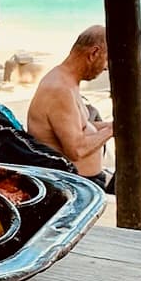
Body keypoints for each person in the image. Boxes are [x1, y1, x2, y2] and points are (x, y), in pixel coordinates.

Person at [27, 25, 114, 183]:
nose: (106, 67)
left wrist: (111, 125)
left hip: (81, 179)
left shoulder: (67, 81)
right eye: (107, 59)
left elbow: (79, 127)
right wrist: (114, 130)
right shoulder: (59, 89)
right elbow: (76, 150)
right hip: (74, 184)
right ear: (94, 53)